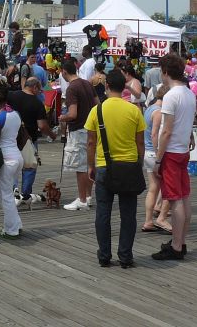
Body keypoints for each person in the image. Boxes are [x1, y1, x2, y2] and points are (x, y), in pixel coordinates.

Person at [84, 69, 146, 268]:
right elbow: (140, 144)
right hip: (129, 166)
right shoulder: (133, 110)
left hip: (104, 166)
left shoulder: (97, 110)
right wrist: (139, 164)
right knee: (128, 215)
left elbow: (91, 143)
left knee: (103, 213)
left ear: (107, 86)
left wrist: (91, 166)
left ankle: (104, 255)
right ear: (123, 87)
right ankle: (125, 256)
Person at [152, 54, 196, 261]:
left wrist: (158, 159)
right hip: (183, 152)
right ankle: (181, 241)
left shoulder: (171, 96)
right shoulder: (188, 93)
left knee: (175, 199)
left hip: (171, 152)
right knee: (184, 197)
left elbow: (166, 131)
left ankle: (176, 246)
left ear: (166, 72)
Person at [59, 59, 97, 211]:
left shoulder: (71, 88)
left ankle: (81, 199)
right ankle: (88, 196)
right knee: (89, 164)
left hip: (78, 130)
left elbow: (72, 113)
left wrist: (63, 117)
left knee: (80, 166)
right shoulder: (87, 84)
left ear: (64, 72)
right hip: (91, 129)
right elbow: (97, 105)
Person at [8, 76, 51, 203]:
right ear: (35, 87)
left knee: (13, 166)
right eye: (40, 90)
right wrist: (52, 135)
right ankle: (25, 194)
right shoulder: (37, 103)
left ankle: (13, 192)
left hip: (11, 137)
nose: (40, 92)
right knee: (30, 166)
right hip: (29, 139)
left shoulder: (11, 95)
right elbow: (42, 125)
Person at [0, 81, 23, 239]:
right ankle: (16, 223)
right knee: (3, 191)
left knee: (6, 195)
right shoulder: (15, 114)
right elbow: (24, 137)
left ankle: (11, 230)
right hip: (17, 156)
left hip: (6, 159)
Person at [141, 85, 171, 233]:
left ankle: (148, 221)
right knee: (166, 187)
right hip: (154, 153)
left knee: (153, 188)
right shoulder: (158, 112)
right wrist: (158, 151)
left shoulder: (149, 109)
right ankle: (160, 217)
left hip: (147, 152)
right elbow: (154, 134)